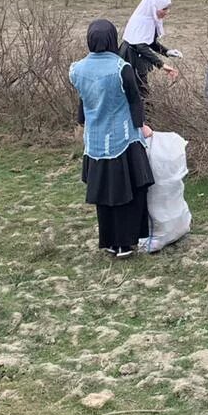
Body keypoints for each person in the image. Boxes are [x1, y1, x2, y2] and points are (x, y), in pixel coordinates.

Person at [69, 20, 155, 259]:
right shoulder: (121, 67)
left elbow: (83, 100)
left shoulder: (78, 69)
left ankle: (108, 242)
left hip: (95, 142)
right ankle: (125, 244)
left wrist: (81, 122)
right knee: (128, 193)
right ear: (111, 39)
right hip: (123, 140)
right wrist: (142, 126)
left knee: (105, 196)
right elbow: (135, 100)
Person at [121, 0, 181, 94]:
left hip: (137, 56)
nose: (167, 12)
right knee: (139, 92)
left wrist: (167, 51)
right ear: (154, 7)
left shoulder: (149, 18)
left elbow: (149, 42)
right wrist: (162, 65)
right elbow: (141, 46)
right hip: (131, 58)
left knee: (140, 90)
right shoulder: (142, 21)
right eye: (164, 9)